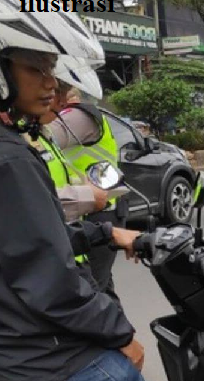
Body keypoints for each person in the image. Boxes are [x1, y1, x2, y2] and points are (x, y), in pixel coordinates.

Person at [0, 0, 145, 380]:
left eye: (53, 69)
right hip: (51, 355)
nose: (52, 83)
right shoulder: (5, 159)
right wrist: (121, 334)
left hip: (5, 346)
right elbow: (49, 279)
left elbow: (15, 244)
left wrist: (100, 234)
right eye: (36, 68)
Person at [47, 74, 128, 305]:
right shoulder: (78, 114)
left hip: (99, 209)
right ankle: (122, 338)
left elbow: (44, 139)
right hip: (90, 207)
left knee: (92, 294)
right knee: (103, 288)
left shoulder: (78, 116)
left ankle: (112, 336)